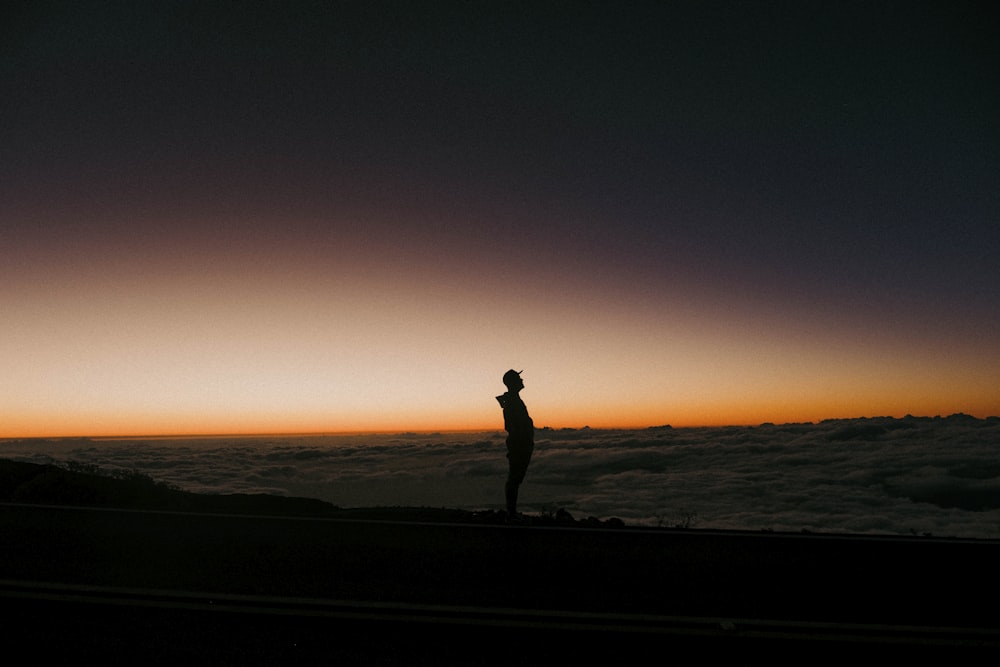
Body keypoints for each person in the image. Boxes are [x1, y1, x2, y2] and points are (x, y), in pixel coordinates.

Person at [496, 369, 534, 520]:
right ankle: (511, 514)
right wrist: (521, 441)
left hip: (520, 445)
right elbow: (513, 426)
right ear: (512, 382)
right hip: (519, 445)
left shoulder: (514, 400)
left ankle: (511, 512)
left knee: (515, 478)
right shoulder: (512, 402)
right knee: (514, 479)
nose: (522, 380)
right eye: (519, 378)